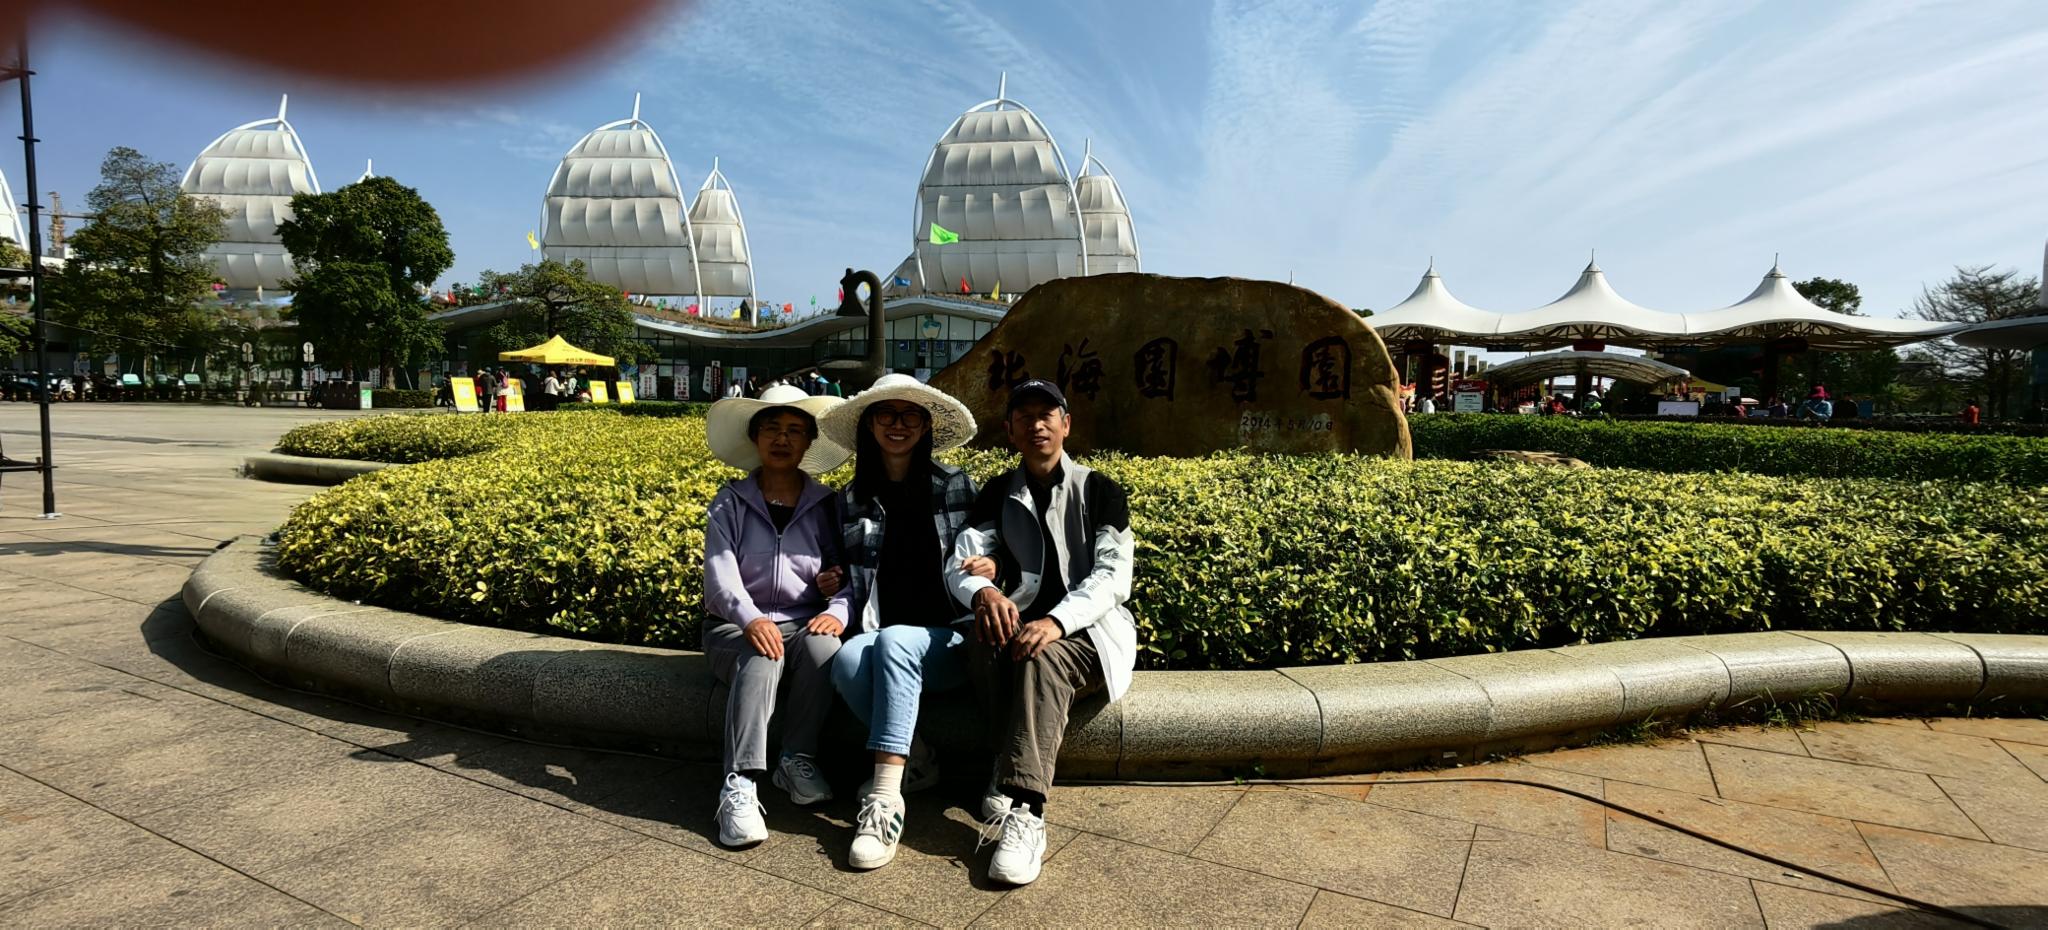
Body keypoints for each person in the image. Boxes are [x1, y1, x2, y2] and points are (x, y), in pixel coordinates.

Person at [949, 379, 1138, 887]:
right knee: (983, 637)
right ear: (1010, 429)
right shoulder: (997, 492)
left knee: (1040, 655)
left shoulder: (1100, 490)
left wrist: (1057, 622)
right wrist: (981, 592)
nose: (1037, 424)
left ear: (1066, 424)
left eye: (1047, 414)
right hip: (1024, 622)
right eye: (1025, 415)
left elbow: (1112, 577)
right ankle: (1006, 765)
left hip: (1088, 633)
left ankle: (1027, 812)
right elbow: (961, 561)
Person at [813, 373, 987, 871]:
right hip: (881, 635)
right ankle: (921, 761)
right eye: (885, 415)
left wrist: (993, 564)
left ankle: (885, 801)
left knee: (894, 641)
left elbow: (986, 545)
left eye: (910, 415)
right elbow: (842, 571)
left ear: (926, 425)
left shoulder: (954, 485)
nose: (898, 425)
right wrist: (829, 582)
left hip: (949, 640)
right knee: (846, 659)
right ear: (868, 426)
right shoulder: (848, 499)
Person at [700, 384, 852, 848]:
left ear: (808, 443)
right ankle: (740, 782)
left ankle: (796, 759)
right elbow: (720, 578)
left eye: (794, 430)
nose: (782, 439)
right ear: (755, 438)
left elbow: (846, 571)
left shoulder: (828, 504)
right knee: (761, 654)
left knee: (826, 647)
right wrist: (751, 619)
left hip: (802, 623)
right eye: (772, 429)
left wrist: (839, 603)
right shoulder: (730, 501)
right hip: (733, 627)